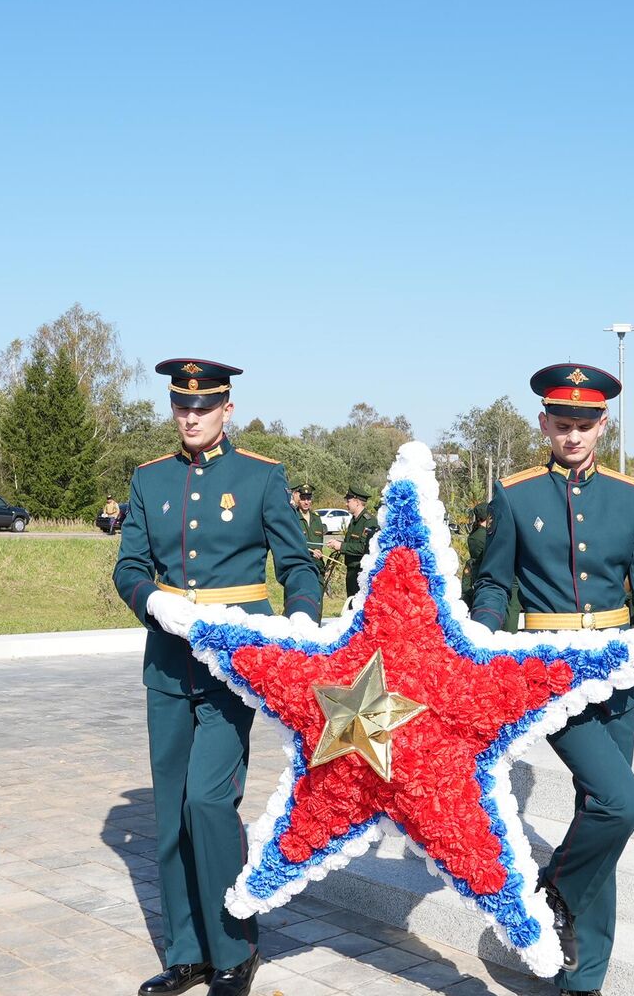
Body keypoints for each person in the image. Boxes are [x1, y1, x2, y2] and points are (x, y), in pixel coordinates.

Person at [113, 358, 322, 996]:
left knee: (209, 799)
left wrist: (301, 625)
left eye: (204, 407)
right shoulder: (150, 481)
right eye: (182, 406)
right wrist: (153, 600)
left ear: (226, 410)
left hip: (236, 665)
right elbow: (129, 567)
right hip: (169, 662)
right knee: (174, 813)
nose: (192, 417)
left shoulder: (260, 477)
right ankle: (188, 953)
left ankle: (234, 948)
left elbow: (299, 564)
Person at [472, 362, 634, 996]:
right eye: (563, 423)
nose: (574, 434)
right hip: (550, 672)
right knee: (621, 802)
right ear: (545, 424)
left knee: (600, 815)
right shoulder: (516, 492)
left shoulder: (632, 496)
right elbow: (495, 581)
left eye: (585, 424)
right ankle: (550, 891)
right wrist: (480, 640)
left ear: (601, 425)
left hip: (617, 668)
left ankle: (584, 980)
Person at [339, 488, 379, 599]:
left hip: (360, 572)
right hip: (351, 571)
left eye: (348, 501)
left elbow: (364, 548)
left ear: (356, 502)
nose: (346, 504)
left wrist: (341, 546)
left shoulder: (369, 521)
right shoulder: (354, 520)